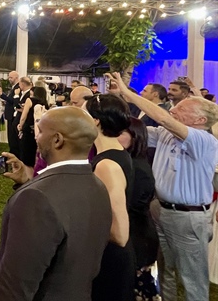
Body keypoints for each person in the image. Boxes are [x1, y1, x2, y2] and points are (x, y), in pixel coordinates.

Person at [0, 107, 112, 301]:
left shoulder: (36, 200)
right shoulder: (98, 186)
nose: (36, 137)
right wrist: (26, 182)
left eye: (40, 130)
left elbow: (14, 287)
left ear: (57, 140)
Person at [110, 71, 218, 301]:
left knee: (192, 280)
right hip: (160, 210)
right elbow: (133, 128)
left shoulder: (204, 140)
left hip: (188, 217)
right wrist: (116, 102)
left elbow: (163, 119)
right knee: (165, 271)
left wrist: (128, 94)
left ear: (200, 120)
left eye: (182, 109)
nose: (173, 109)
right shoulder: (166, 135)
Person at [85, 93, 135, 301]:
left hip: (110, 258)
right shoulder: (116, 153)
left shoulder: (107, 165)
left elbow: (120, 234)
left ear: (95, 121)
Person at [117, 117, 159, 300]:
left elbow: (131, 205)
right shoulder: (126, 162)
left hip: (137, 236)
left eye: (120, 134)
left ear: (135, 137)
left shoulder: (137, 167)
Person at [17, 86, 49, 167]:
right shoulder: (45, 104)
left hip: (28, 129)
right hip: (39, 131)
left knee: (26, 153)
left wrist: (20, 125)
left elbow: (24, 116)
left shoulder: (29, 100)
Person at [0, 71, 20, 157]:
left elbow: (14, 101)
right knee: (11, 138)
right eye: (9, 77)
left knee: (12, 138)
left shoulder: (17, 88)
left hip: (13, 115)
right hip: (10, 114)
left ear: (16, 77)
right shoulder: (14, 87)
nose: (9, 79)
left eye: (11, 77)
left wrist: (2, 95)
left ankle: (14, 154)